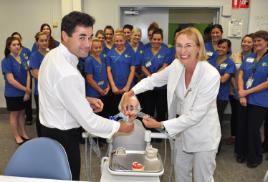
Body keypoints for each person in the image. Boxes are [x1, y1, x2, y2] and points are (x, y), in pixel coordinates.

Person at [38, 11, 134, 180]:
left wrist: (82, 100)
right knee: (68, 177)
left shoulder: (52, 55)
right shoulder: (67, 72)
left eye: (90, 37)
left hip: (48, 131)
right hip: (63, 138)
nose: (88, 44)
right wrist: (120, 127)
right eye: (81, 37)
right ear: (64, 36)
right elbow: (90, 123)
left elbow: (57, 93)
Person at [121, 27, 221, 182]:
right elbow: (153, 80)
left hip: (203, 134)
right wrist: (131, 92)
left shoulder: (210, 75)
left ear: (198, 48)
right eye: (179, 45)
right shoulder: (177, 65)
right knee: (180, 173)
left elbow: (196, 115)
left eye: (188, 45)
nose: (183, 51)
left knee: (203, 177)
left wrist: (160, 124)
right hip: (181, 131)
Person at [236, 30, 268, 168]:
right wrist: (241, 93)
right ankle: (241, 153)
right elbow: (241, 75)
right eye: (255, 41)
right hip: (244, 98)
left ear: (266, 42)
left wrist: (246, 92)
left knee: (253, 129)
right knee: (242, 127)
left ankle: (254, 157)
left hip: (260, 101)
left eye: (259, 40)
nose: (256, 43)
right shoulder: (249, 57)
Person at [1, 37, 31, 145]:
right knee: (14, 115)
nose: (17, 46)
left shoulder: (23, 57)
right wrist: (26, 89)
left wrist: (27, 91)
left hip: (24, 92)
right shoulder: (6, 61)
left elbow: (28, 74)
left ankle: (23, 132)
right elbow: (11, 80)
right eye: (14, 45)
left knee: (22, 113)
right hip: (12, 93)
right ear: (9, 47)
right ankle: (17, 135)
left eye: (18, 44)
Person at [208, 39, 236, 153]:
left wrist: (210, 77)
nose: (220, 49)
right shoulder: (211, 60)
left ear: (228, 49)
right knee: (208, 123)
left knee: (217, 123)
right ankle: (207, 147)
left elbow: (224, 80)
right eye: (219, 47)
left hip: (221, 97)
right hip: (209, 96)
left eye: (224, 47)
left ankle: (216, 149)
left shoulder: (230, 63)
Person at [229, 34, 254, 145]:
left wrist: (244, 90)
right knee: (235, 115)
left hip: (249, 92)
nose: (245, 44)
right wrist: (237, 88)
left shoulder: (256, 57)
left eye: (249, 42)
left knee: (247, 117)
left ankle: (245, 138)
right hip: (234, 90)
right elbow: (231, 73)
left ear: (253, 44)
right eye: (244, 41)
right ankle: (234, 136)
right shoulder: (235, 56)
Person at [106, 30, 136, 115]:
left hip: (128, 88)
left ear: (125, 41)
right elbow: (108, 71)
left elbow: (132, 70)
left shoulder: (131, 53)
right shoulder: (110, 53)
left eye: (121, 41)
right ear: (114, 41)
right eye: (117, 41)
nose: (119, 43)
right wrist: (113, 87)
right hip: (115, 88)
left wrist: (127, 86)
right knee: (115, 112)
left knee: (128, 112)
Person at [29, 32, 49, 137]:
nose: (44, 43)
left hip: (50, 91)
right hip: (40, 91)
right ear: (37, 42)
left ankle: (48, 136)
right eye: (41, 40)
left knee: (48, 114)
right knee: (40, 115)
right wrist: (50, 78)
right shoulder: (34, 56)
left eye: (46, 40)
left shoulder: (50, 54)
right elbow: (35, 74)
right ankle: (41, 137)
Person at [11, 32, 33, 125]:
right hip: (16, 83)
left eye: (18, 40)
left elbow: (30, 63)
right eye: (14, 40)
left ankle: (29, 117)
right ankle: (20, 119)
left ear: (21, 40)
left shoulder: (26, 51)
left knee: (27, 100)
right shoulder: (9, 56)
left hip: (27, 80)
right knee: (18, 105)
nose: (17, 45)